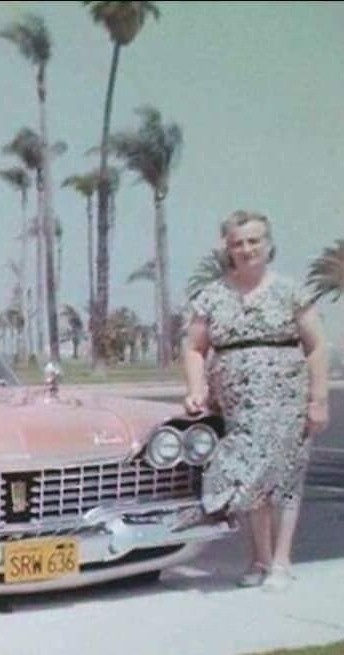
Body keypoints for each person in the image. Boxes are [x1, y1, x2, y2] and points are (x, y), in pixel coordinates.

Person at [181, 210, 329, 591]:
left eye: (253, 240)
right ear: (227, 248)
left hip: (286, 400)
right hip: (237, 406)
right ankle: (259, 558)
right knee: (248, 477)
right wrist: (196, 389)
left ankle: (281, 561)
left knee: (284, 477)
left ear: (268, 244)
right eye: (238, 243)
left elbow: (316, 346)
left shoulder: (290, 292)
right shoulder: (211, 296)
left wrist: (319, 399)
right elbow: (194, 348)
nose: (246, 249)